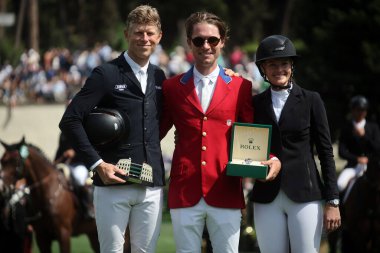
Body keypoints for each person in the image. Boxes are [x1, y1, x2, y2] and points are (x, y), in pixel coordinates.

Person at [159, 12, 281, 253]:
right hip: (185, 188)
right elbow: (155, 132)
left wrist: (272, 158)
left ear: (223, 41)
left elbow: (251, 134)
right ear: (189, 42)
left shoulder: (241, 86)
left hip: (226, 187)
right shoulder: (171, 87)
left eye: (212, 40)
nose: (206, 45)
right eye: (198, 40)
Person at [59, 5, 166, 253]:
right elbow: (70, 119)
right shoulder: (105, 74)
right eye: (138, 32)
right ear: (126, 34)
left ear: (159, 36)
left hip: (151, 185)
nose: (144, 38)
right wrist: (97, 164)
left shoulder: (160, 77)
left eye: (150, 33)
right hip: (112, 184)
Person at [250, 35, 341, 253]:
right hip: (266, 194)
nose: (279, 69)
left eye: (284, 63)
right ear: (263, 68)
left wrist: (333, 200)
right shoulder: (254, 103)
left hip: (305, 193)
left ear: (292, 65)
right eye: (272, 64)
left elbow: (326, 152)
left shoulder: (312, 100)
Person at [337, 95, 380, 199]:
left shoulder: (373, 127)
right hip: (353, 166)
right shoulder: (346, 128)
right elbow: (341, 151)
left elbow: (377, 148)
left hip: (372, 167)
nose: (360, 113)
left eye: (363, 110)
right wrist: (357, 159)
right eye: (358, 110)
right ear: (352, 110)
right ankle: (340, 212)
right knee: (340, 184)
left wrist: (364, 137)